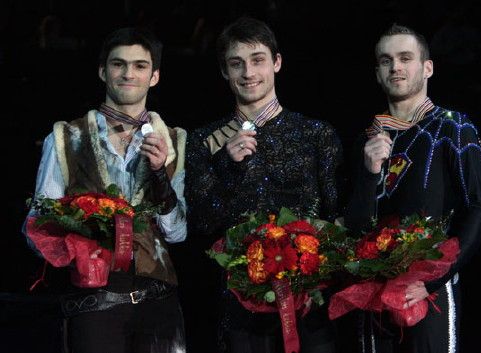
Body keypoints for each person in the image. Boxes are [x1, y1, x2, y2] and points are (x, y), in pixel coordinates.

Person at [185, 16, 344, 353]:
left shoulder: (316, 134)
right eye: (236, 64)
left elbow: (338, 218)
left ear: (277, 62)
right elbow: (201, 223)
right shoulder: (204, 141)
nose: (248, 73)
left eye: (257, 60)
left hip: (309, 300)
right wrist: (230, 167)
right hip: (240, 303)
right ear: (225, 72)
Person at [23, 27, 187, 353]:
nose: (128, 73)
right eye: (118, 64)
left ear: (154, 76)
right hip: (94, 301)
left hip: (157, 302)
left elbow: (177, 232)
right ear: (103, 71)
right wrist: (77, 249)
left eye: (140, 66)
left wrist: (159, 174)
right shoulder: (67, 137)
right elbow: (36, 226)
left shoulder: (174, 140)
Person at [345, 24, 481, 353]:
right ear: (377, 73)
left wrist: (432, 279)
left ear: (427, 67)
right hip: (374, 291)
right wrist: (370, 173)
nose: (395, 66)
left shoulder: (453, 127)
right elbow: (355, 228)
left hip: (429, 291)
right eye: (386, 60)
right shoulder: (366, 139)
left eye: (405, 58)